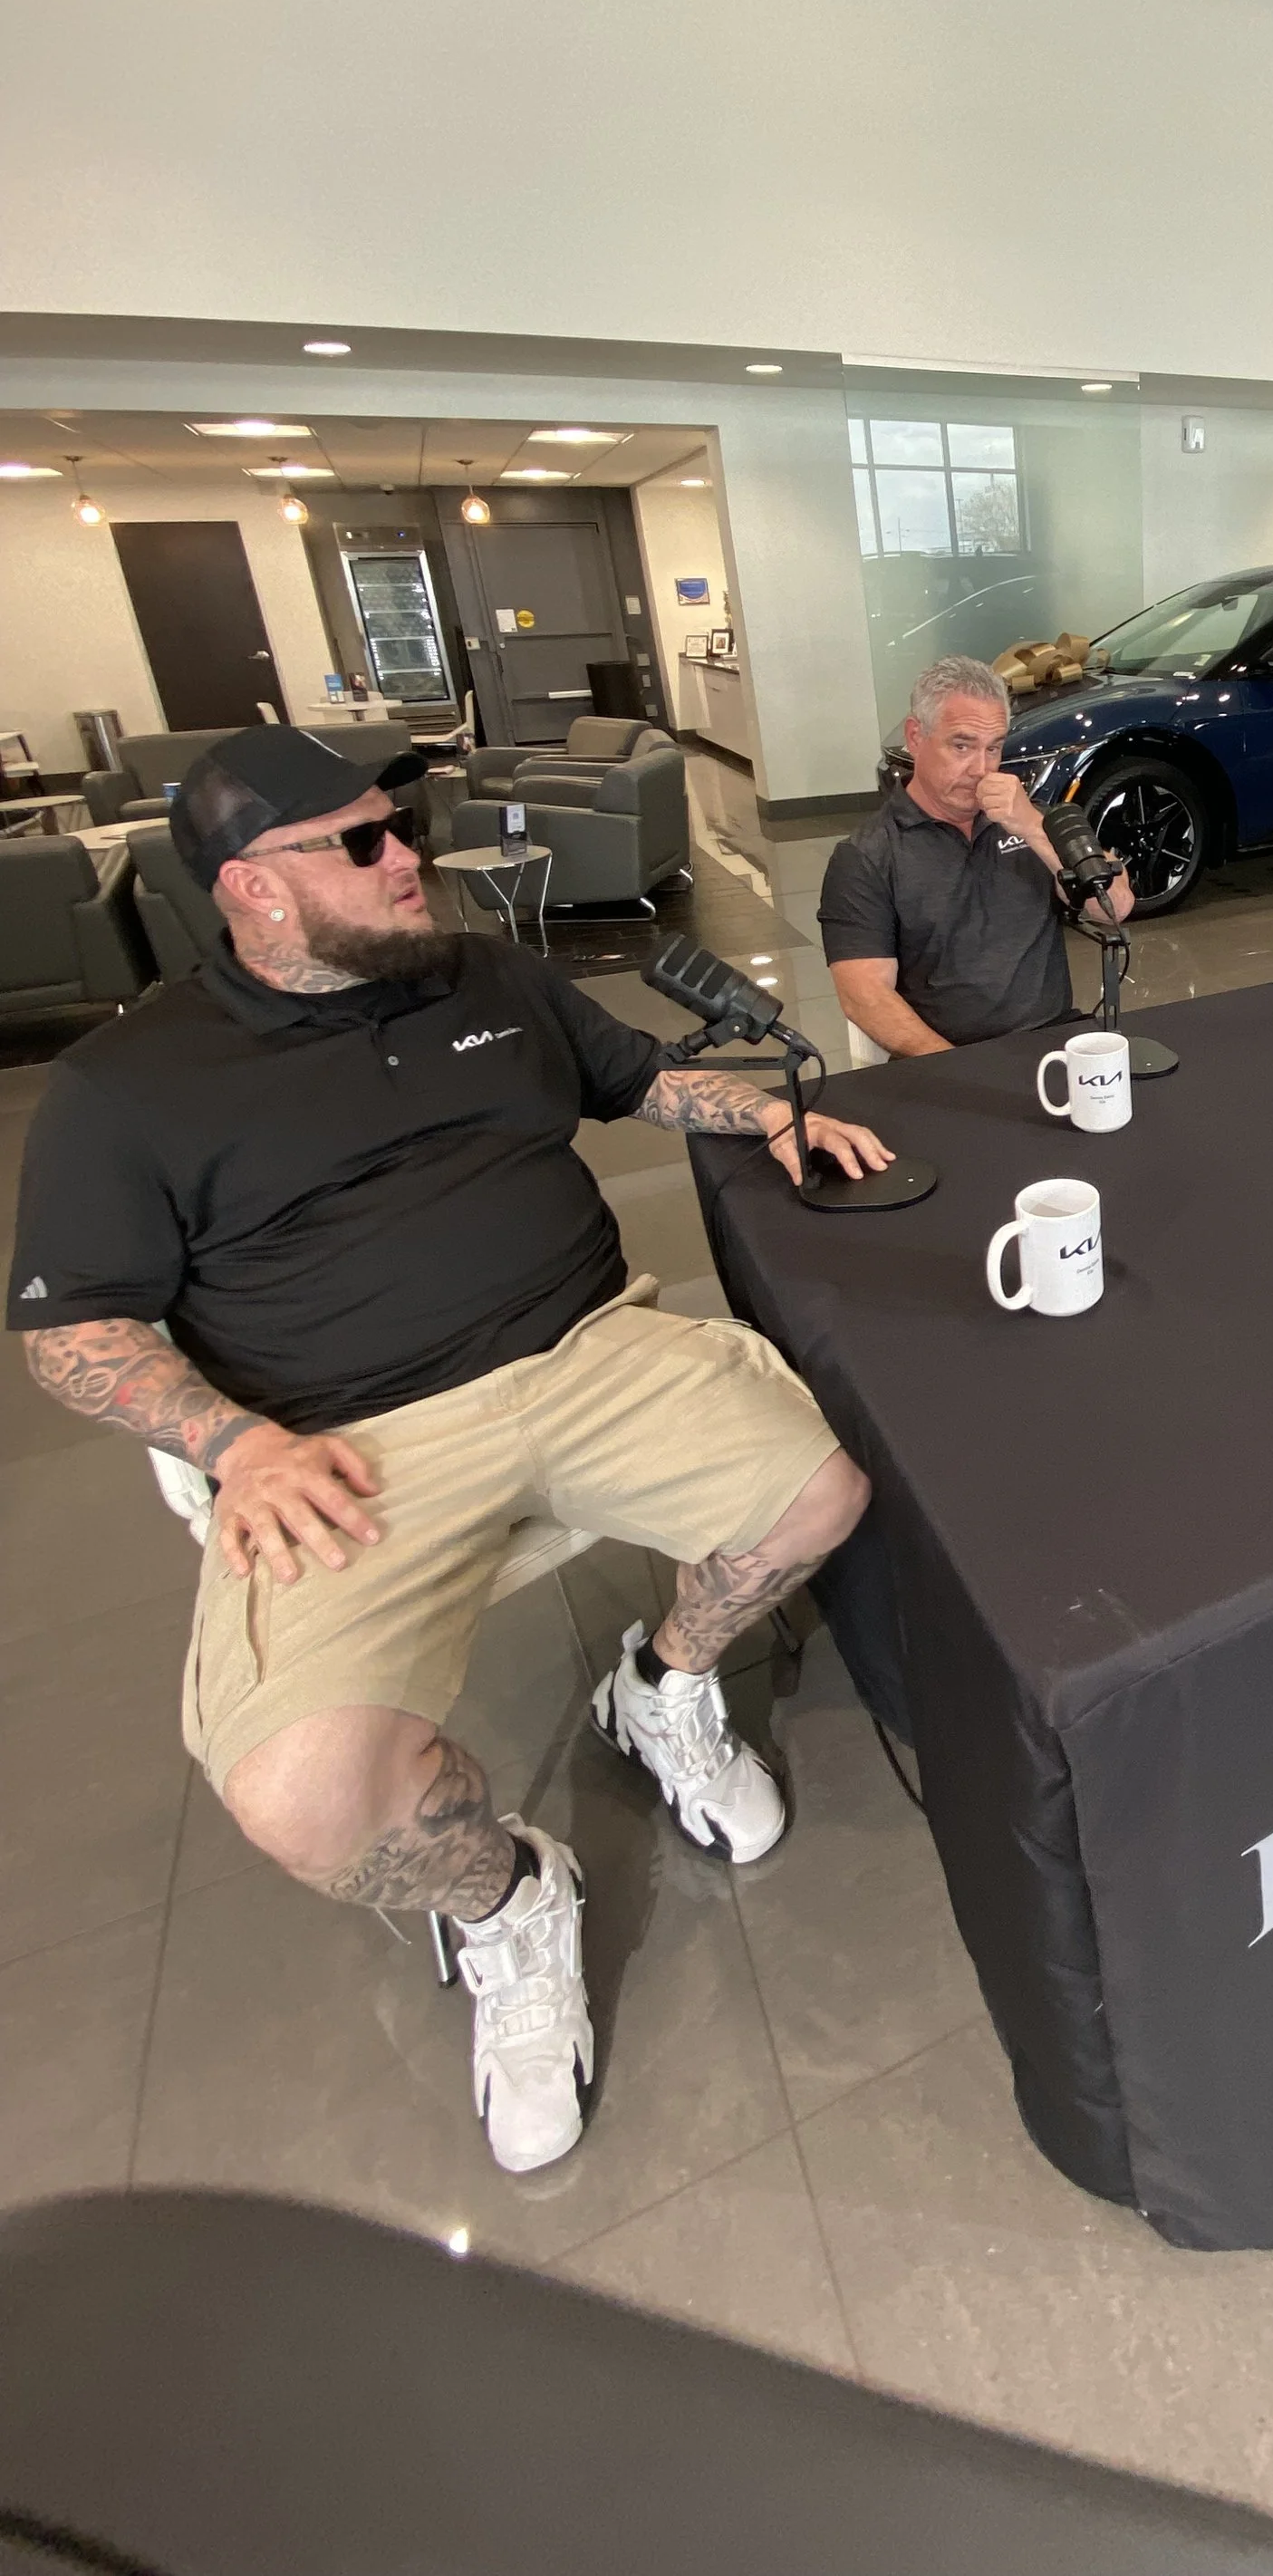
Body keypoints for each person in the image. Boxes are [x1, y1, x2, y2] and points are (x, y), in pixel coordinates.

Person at [7, 726, 896, 2176]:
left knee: (821, 1496)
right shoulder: (127, 1084)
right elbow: (71, 1332)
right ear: (253, 885)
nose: (406, 855)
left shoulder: (485, 977)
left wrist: (769, 1113)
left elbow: (636, 1078)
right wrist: (236, 1444)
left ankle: (662, 1687)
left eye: (398, 823)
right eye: (362, 841)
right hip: (343, 1443)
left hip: (585, 1346)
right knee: (306, 1804)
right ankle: (507, 1901)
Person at [819, 653, 1133, 1057]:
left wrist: (1033, 828)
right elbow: (865, 996)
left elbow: (1115, 906)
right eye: (962, 746)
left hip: (1053, 1041)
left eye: (993, 748)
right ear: (915, 737)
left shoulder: (1030, 820)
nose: (981, 769)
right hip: (945, 1056)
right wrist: (958, 1066)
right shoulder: (867, 856)